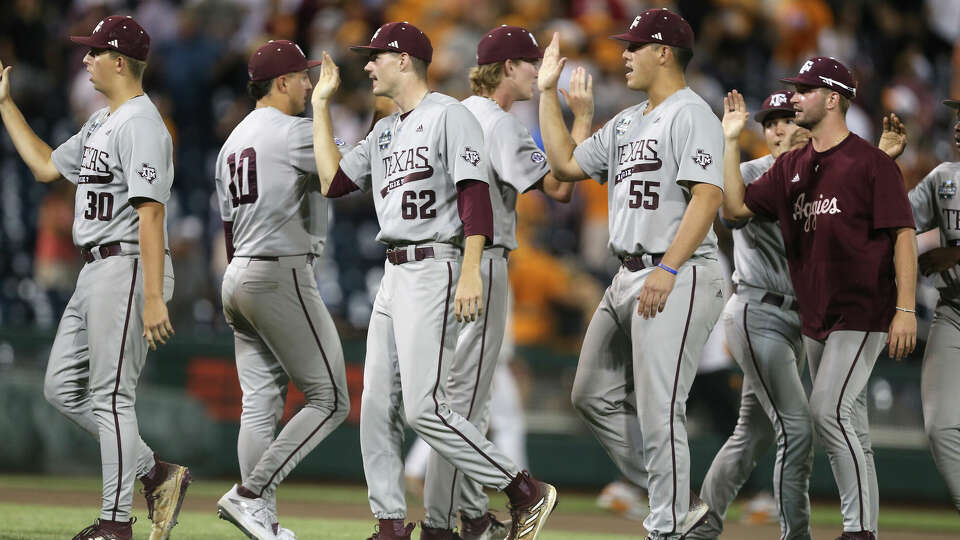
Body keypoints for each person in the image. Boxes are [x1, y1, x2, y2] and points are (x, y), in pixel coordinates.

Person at [310, 22, 557, 540]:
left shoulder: (450, 114)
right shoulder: (384, 130)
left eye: (377, 56)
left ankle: (521, 489)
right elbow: (333, 182)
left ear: (404, 61)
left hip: (438, 262)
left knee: (426, 407)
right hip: (393, 270)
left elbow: (475, 198)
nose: (368, 65)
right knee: (376, 403)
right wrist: (319, 107)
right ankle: (391, 524)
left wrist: (470, 270)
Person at [539, 8, 728, 539]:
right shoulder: (627, 119)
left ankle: (668, 525)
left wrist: (668, 267)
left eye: (634, 46)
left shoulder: (693, 114)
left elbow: (708, 196)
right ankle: (681, 503)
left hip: (679, 269)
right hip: (626, 273)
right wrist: (547, 93)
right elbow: (566, 165)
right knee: (590, 394)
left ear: (663, 52)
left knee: (659, 403)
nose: (624, 54)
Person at [0, 16, 189, 540]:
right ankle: (154, 472)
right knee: (61, 388)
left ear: (120, 61)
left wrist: (153, 296)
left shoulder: (142, 124)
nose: (85, 60)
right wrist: (5, 106)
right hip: (95, 269)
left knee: (111, 397)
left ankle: (115, 523)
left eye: (94, 52)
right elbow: (43, 166)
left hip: (128, 265)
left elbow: (152, 212)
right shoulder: (102, 122)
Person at [690, 92, 907, 540]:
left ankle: (701, 525)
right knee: (798, 427)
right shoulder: (751, 173)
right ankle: (797, 534)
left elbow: (852, 206)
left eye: (787, 119)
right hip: (760, 311)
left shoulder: (822, 172)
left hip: (812, 317)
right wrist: (730, 142)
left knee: (750, 435)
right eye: (769, 123)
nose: (778, 129)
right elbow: (733, 213)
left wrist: (878, 162)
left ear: (807, 126)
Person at [414, 25, 594, 540]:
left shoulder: (447, 112)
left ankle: (468, 517)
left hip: (430, 267)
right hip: (478, 261)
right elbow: (561, 185)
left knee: (452, 400)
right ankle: (447, 525)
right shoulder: (498, 123)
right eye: (531, 63)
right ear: (508, 68)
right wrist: (577, 116)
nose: (539, 70)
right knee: (463, 403)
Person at [212, 40, 350, 540]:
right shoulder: (292, 132)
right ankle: (250, 496)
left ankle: (261, 520)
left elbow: (227, 232)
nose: (310, 84)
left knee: (260, 404)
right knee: (331, 398)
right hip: (279, 270)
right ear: (283, 82)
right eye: (303, 77)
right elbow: (343, 177)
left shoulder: (231, 142)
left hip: (238, 274)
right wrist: (325, 111)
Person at [906, 98, 960, 512]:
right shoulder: (943, 177)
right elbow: (893, 218)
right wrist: (885, 163)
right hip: (952, 312)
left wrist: (957, 255)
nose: (957, 125)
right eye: (957, 116)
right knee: (942, 427)